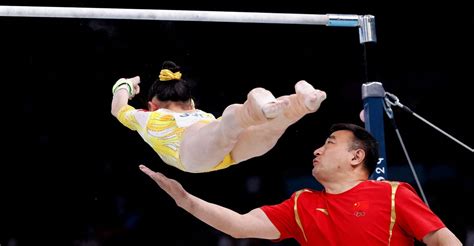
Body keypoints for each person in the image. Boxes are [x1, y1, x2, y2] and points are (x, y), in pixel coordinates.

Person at [139, 123, 462, 245]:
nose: (317, 150)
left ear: (356, 156)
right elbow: (239, 225)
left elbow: (445, 242)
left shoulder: (393, 194)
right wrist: (187, 201)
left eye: (330, 142)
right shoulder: (302, 204)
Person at [111, 60, 326, 173]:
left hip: (192, 153)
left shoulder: (148, 118)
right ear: (191, 103)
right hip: (227, 154)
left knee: (232, 123)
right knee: (266, 127)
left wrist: (125, 85)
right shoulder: (201, 114)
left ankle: (261, 104)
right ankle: (300, 103)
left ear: (151, 105)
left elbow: (118, 108)